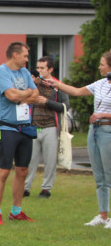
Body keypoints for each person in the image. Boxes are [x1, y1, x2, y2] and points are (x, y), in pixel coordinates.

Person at [46, 51, 111, 227]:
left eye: (102, 64)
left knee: (109, 174)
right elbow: (77, 91)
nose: (99, 67)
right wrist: (56, 84)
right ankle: (103, 215)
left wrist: (103, 114)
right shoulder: (100, 83)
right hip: (94, 131)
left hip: (108, 131)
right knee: (99, 176)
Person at [0, 42, 39, 224]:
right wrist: (27, 92)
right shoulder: (1, 72)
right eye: (25, 55)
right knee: (4, 171)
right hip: (7, 128)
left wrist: (22, 95)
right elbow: (11, 95)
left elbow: (36, 95)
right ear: (15, 55)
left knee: (22, 170)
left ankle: (16, 210)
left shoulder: (25, 72)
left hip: (25, 127)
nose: (27, 59)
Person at [23, 56, 68, 199]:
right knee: (30, 159)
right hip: (34, 127)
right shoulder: (32, 84)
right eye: (38, 68)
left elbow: (65, 106)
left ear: (50, 69)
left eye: (42, 68)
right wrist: (33, 85)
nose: (39, 71)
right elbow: (23, 99)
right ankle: (25, 188)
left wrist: (47, 102)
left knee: (50, 161)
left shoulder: (57, 86)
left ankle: (46, 189)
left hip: (51, 127)